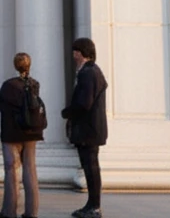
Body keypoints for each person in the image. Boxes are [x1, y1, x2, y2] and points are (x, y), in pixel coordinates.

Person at [0, 52, 44, 218]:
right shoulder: (34, 84)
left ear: (16, 66)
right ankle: (32, 211)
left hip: (11, 133)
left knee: (11, 170)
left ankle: (9, 211)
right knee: (30, 169)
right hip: (31, 132)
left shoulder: (9, 85)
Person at [61, 38, 107, 218]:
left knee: (91, 167)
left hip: (88, 129)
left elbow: (84, 103)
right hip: (91, 128)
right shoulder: (91, 71)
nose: (73, 55)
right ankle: (91, 204)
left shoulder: (88, 73)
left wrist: (67, 112)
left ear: (81, 52)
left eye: (75, 51)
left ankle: (94, 207)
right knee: (90, 167)